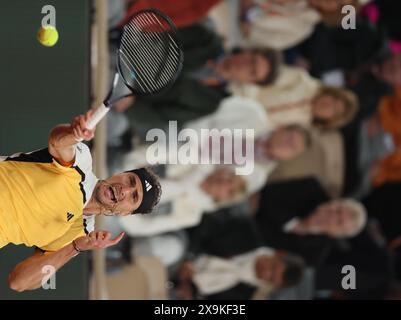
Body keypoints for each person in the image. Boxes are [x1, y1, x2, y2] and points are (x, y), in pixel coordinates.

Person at [0, 110, 161, 291]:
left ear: (125, 213)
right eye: (130, 180)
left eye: (134, 197)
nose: (124, 190)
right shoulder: (81, 164)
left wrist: (75, 247)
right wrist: (73, 133)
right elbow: (58, 142)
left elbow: (19, 282)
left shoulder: (80, 236)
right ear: (120, 173)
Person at [176, 247, 305, 300]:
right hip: (182, 253)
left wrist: (190, 295)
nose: (265, 273)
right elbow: (202, 230)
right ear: (279, 254)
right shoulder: (247, 235)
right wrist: (188, 259)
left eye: (270, 279)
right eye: (273, 267)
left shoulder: (245, 295)